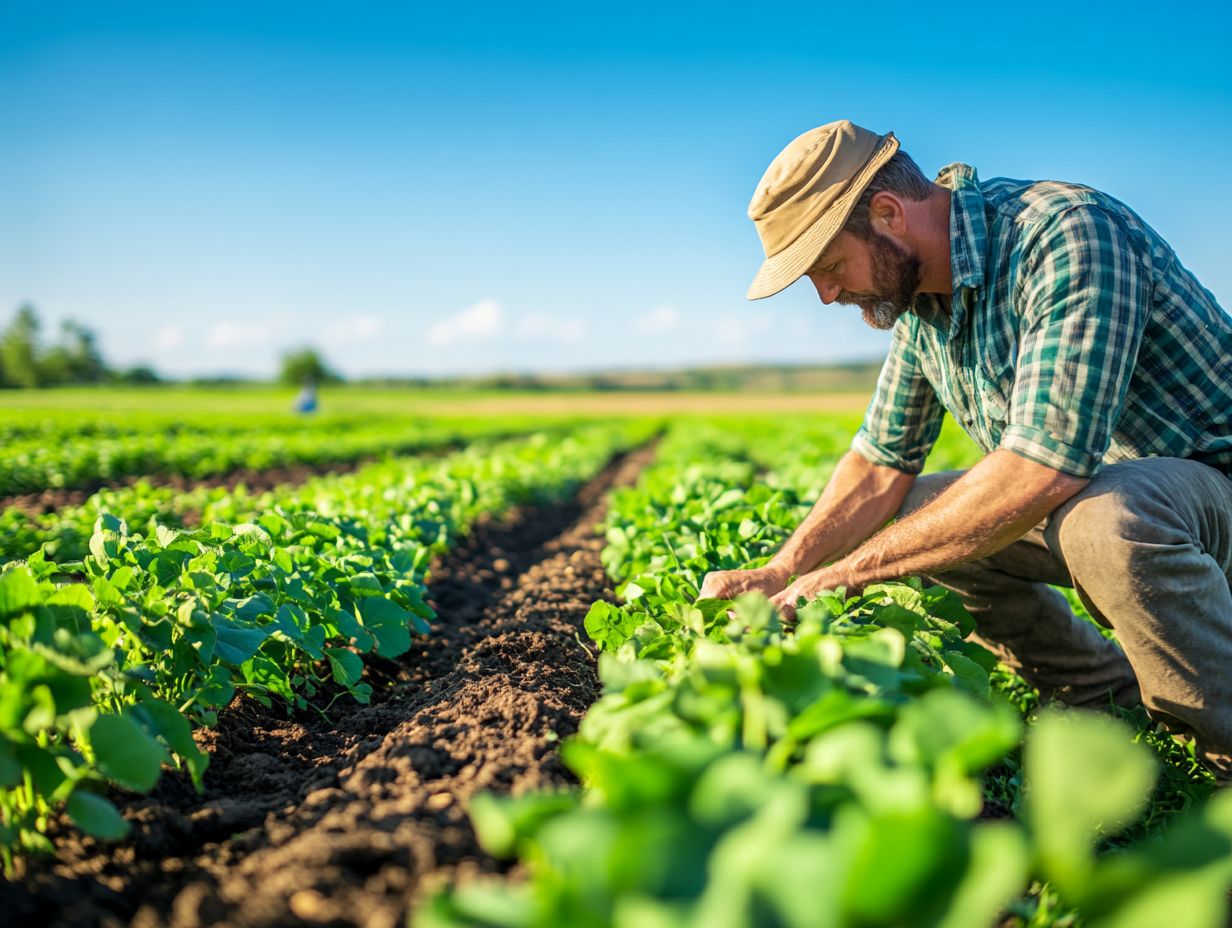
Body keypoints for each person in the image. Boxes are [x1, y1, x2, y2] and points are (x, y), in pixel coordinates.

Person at [699, 119, 1232, 778]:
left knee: (1107, 520)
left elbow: (1045, 466)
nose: (828, 294)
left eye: (830, 267)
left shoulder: (1066, 235)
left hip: (1210, 498)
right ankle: (1113, 708)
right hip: (1109, 500)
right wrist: (783, 571)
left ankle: (1221, 753)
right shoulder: (923, 300)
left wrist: (847, 574)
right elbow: (881, 462)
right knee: (914, 512)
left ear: (889, 214)